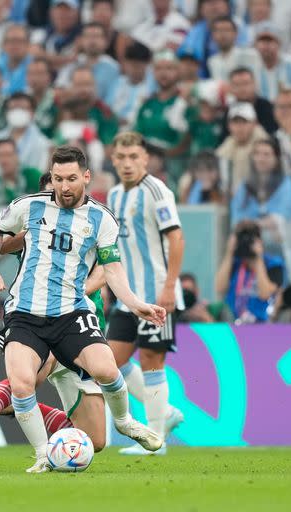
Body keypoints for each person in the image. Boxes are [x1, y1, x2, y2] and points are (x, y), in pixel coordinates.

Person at [0, 145, 165, 472]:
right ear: (50, 177)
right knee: (22, 382)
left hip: (72, 314)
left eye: (70, 179)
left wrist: (136, 304)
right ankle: (42, 454)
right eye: (57, 179)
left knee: (108, 372)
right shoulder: (30, 206)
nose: (63, 187)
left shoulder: (101, 219)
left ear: (85, 177)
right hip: (25, 314)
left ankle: (124, 422)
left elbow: (111, 269)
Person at [0, 172, 113, 454]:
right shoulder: (33, 230)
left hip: (84, 325)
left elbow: (108, 268)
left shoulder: (89, 223)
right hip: (41, 320)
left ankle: (17, 408)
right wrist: (28, 231)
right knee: (28, 379)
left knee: (96, 441)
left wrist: (79, 290)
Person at [105, 132, 186, 456]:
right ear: (113, 160)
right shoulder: (113, 195)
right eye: (121, 158)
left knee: (152, 360)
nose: (127, 164)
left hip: (157, 295)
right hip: (128, 297)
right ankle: (163, 413)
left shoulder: (157, 191)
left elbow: (177, 239)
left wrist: (168, 288)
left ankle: (155, 441)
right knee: (111, 362)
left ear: (145, 159)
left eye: (134, 157)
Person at [215, 219, 285, 323]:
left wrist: (258, 259)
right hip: (233, 322)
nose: (245, 242)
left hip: (261, 323)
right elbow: (219, 288)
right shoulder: (234, 262)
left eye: (249, 239)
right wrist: (229, 253)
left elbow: (265, 294)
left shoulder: (273, 264)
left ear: (259, 240)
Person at [0, 92, 51, 188]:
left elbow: (41, 178)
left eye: (22, 108)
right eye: (13, 109)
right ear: (7, 113)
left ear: (32, 113)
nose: (18, 112)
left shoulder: (43, 143)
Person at [216, 102, 269, 194]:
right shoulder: (226, 147)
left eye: (244, 122)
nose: (239, 127)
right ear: (229, 125)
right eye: (235, 122)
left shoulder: (266, 146)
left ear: (255, 123)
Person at [0, 139, 41, 206]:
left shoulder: (32, 175)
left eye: (8, 155)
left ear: (17, 156)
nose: (4, 160)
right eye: (0, 155)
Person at [253, 21, 291, 101]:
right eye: (262, 41)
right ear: (256, 45)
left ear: (279, 43)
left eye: (270, 41)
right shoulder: (252, 68)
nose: (266, 45)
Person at [207, 15, 261, 82]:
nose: (223, 34)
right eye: (219, 30)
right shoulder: (212, 61)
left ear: (236, 33)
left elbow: (256, 83)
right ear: (213, 35)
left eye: (227, 30)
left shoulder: (250, 55)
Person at [0, 24, 32, 96]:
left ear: (28, 44)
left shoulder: (36, 68)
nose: (14, 45)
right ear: (3, 45)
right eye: (11, 41)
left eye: (19, 41)